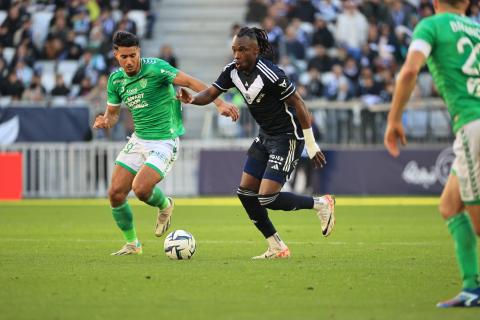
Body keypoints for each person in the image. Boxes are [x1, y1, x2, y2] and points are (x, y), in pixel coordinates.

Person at [177, 27, 336, 259]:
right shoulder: (232, 71)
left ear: (256, 50)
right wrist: (192, 99)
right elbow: (211, 93)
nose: (236, 55)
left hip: (287, 137)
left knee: (267, 197)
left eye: (242, 50)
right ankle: (276, 246)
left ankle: (321, 203)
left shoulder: (271, 74)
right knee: (245, 193)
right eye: (234, 49)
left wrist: (311, 146)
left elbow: (299, 104)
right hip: (265, 136)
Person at [93, 31, 239, 256]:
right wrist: (105, 121)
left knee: (140, 189)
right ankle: (133, 244)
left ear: (139, 51)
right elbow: (112, 115)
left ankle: (165, 205)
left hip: (164, 141)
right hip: (139, 139)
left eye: (133, 55)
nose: (130, 61)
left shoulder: (156, 68)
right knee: (115, 193)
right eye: (124, 57)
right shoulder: (116, 80)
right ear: (116, 55)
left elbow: (190, 81)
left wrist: (218, 103)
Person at [384, 0, 480, 308]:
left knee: (479, 222)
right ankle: (472, 288)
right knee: (450, 206)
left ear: (435, 2)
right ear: (466, 3)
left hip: (473, 125)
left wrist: (394, 118)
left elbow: (411, 69)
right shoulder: (477, 28)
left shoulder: (431, 26)